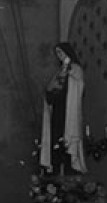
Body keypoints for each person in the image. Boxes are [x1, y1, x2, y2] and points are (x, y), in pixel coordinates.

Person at [39, 42, 86, 175]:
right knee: (56, 142)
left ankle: (69, 172)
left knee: (68, 145)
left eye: (60, 52)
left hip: (69, 111)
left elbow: (78, 83)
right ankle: (55, 174)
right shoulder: (59, 72)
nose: (59, 56)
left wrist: (67, 68)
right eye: (57, 54)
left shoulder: (75, 69)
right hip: (58, 111)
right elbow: (51, 89)